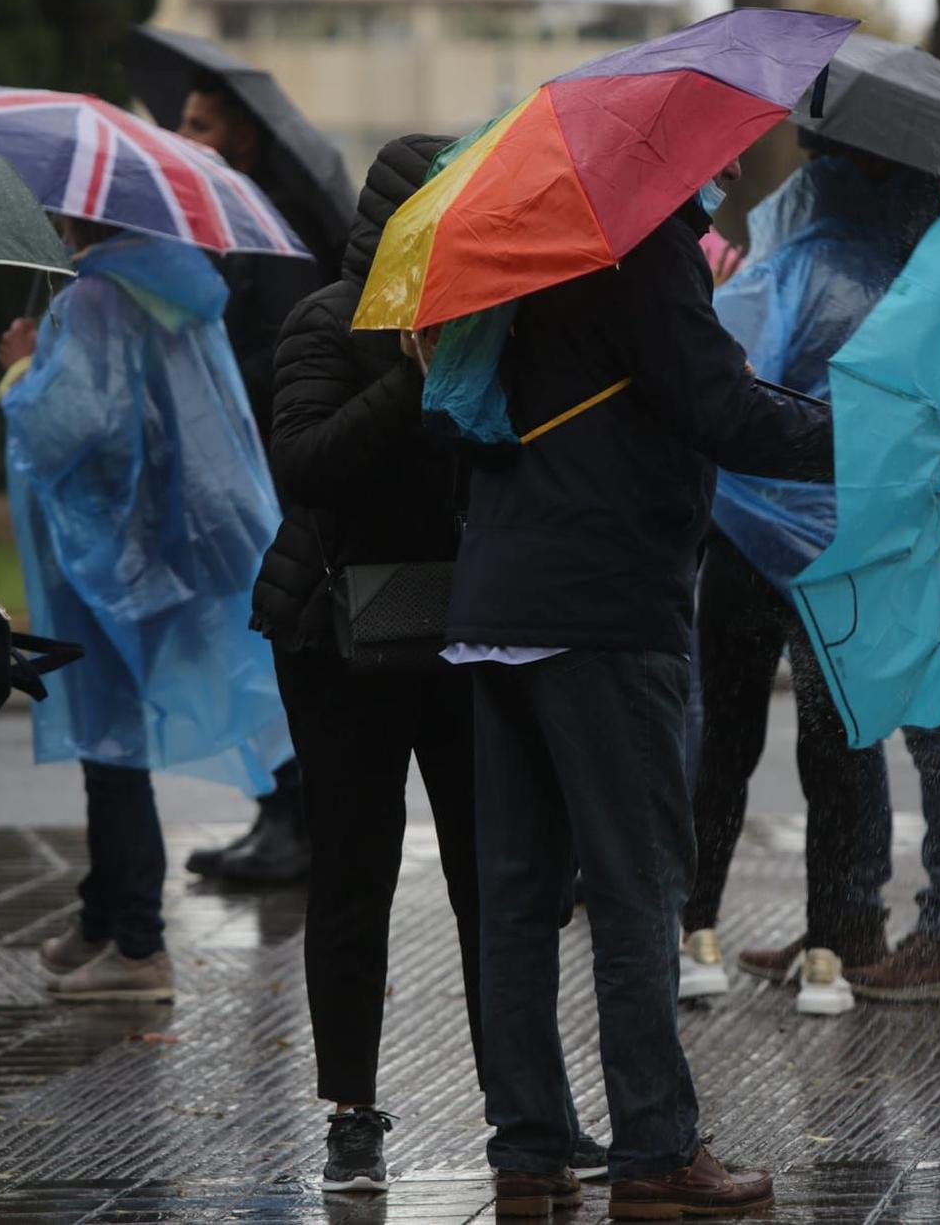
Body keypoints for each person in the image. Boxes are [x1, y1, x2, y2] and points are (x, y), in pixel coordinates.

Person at [451, 157, 830, 1217]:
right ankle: (656, 1149)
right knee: (634, 887)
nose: (731, 165)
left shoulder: (516, 236)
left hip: (498, 599)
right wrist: (864, 437)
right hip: (603, 602)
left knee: (517, 897)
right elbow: (719, 408)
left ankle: (527, 1148)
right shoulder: (640, 237)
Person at [250, 133, 606, 1193]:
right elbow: (302, 468)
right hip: (334, 631)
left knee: (491, 875)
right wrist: (409, 378)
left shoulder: (489, 319)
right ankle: (350, 1105)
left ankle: (525, 1110)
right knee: (352, 866)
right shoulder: (326, 318)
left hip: (456, 627)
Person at [679, 144, 940, 1014]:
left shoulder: (792, 273)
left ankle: (693, 929)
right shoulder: (923, 291)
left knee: (727, 737)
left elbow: (723, 387)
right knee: (843, 743)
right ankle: (834, 943)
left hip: (747, 539)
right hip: (864, 550)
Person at [0, 217, 293, 1003]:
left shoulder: (98, 296)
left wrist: (21, 369)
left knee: (112, 749)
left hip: (104, 560)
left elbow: (73, 425)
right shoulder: (170, 292)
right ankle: (103, 917)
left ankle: (139, 945)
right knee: (110, 744)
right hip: (156, 552)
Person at [176, 69, 332, 887]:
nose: (188, 137)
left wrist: (205, 366)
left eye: (203, 125)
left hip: (272, 471)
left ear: (243, 134)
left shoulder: (276, 227)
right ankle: (277, 816)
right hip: (245, 465)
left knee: (275, 642)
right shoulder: (231, 223)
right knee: (254, 642)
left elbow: (284, 351)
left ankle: (294, 822)